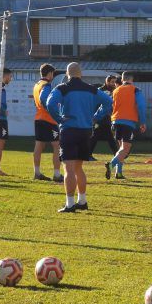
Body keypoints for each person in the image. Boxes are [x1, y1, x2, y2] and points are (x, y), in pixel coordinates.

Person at [46, 62, 112, 213]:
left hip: (69, 130)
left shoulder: (62, 88)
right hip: (86, 131)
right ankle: (82, 200)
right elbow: (109, 102)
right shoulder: (91, 89)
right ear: (80, 74)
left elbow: (50, 104)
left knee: (68, 168)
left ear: (67, 74)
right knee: (79, 168)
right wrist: (96, 117)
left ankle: (69, 204)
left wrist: (60, 119)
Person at [105, 71, 146, 180]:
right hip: (128, 122)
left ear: (122, 79)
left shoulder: (115, 90)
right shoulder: (135, 90)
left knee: (121, 148)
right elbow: (141, 106)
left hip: (115, 121)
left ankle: (119, 173)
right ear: (132, 80)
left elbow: (110, 107)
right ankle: (110, 165)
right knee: (125, 148)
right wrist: (142, 122)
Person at [32, 64, 63, 183]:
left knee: (39, 145)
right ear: (49, 73)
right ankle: (56, 174)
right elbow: (44, 99)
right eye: (53, 74)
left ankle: (37, 172)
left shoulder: (37, 85)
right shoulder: (47, 85)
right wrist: (52, 110)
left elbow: (36, 102)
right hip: (48, 119)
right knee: (57, 145)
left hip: (38, 118)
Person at [89, 75, 119, 161]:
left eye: (115, 82)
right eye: (112, 82)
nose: (114, 84)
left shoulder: (115, 90)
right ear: (107, 81)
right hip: (100, 117)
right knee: (99, 136)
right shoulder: (101, 90)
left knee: (104, 136)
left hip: (108, 117)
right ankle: (117, 155)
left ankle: (117, 154)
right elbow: (96, 103)